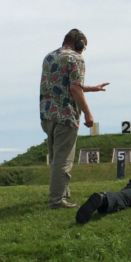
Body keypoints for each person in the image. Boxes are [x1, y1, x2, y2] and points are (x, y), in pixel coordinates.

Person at [39, 29, 109, 209]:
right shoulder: (76, 58)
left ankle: (62, 193)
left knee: (55, 158)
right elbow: (74, 89)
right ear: (79, 45)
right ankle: (56, 201)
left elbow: (62, 84)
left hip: (47, 114)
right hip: (66, 115)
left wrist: (93, 88)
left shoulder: (49, 57)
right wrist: (88, 113)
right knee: (63, 160)